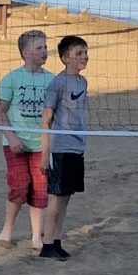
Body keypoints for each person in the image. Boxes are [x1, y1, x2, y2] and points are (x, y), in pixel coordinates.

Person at [0, 29, 56, 253]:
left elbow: (53, 117)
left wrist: (48, 147)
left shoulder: (51, 80)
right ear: (25, 53)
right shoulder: (11, 79)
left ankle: (36, 237)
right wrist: (11, 138)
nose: (45, 51)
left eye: (45, 47)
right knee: (19, 186)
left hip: (40, 144)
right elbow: (1, 113)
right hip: (16, 143)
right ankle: (7, 230)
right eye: (39, 48)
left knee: (40, 189)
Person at [38, 35, 90, 261]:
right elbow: (46, 120)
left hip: (77, 147)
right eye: (78, 53)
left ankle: (57, 242)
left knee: (66, 196)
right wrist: (44, 154)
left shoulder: (83, 82)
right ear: (65, 58)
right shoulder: (57, 83)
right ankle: (46, 245)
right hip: (60, 148)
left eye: (85, 52)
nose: (84, 57)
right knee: (57, 197)